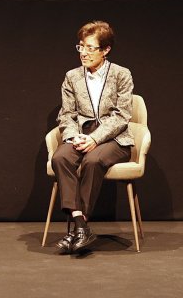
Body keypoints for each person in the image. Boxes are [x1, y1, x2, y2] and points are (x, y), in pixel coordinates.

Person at [50, 20, 135, 255]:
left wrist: (95, 138)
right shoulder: (72, 76)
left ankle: (77, 230)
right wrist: (72, 136)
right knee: (60, 158)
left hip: (114, 139)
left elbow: (122, 116)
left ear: (105, 50)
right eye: (81, 47)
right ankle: (80, 225)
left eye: (90, 48)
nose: (84, 53)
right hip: (82, 134)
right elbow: (66, 114)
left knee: (93, 161)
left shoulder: (121, 74)